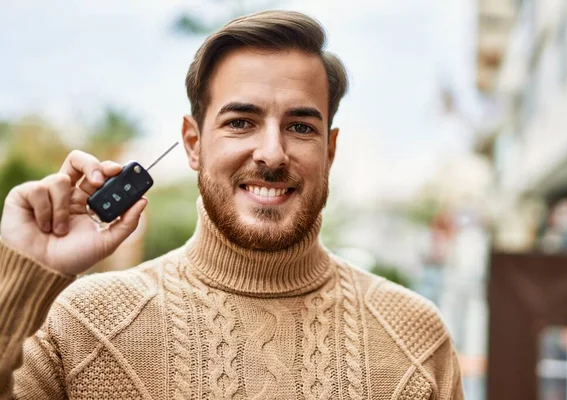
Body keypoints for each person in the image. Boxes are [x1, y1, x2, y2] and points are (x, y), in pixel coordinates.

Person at [0, 10, 463, 399]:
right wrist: (23, 280)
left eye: (301, 127)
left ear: (331, 150)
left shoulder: (414, 339)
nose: (272, 153)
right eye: (241, 122)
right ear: (193, 143)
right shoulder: (82, 323)